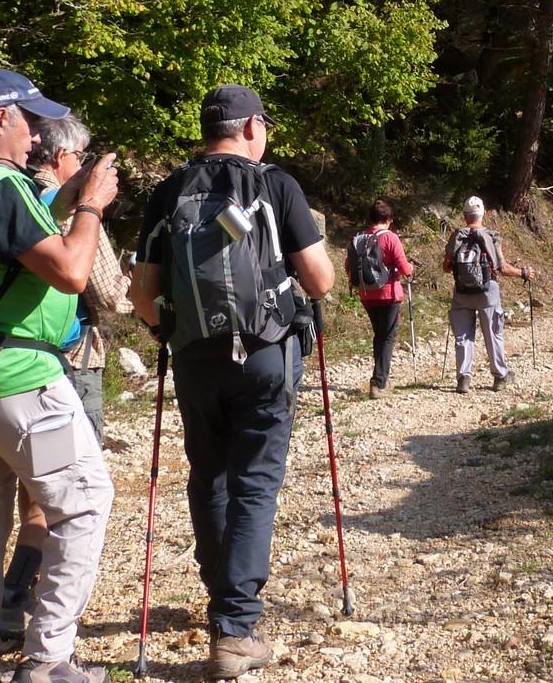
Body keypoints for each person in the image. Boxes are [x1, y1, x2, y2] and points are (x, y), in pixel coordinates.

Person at [130, 84, 335, 681]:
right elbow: (320, 280)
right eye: (264, 123)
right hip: (267, 355)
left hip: (195, 357)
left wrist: (169, 329)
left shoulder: (170, 190)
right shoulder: (277, 186)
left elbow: (141, 293)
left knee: (209, 474)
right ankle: (236, 627)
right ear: (250, 128)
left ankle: (220, 591)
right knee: (255, 483)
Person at [0, 69, 121, 683]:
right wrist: (91, 205)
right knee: (84, 504)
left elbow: (10, 246)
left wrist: (69, 197)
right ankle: (48, 658)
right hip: (21, 385)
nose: (37, 135)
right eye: (29, 121)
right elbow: (70, 271)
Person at [0, 113, 134, 641]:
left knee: (23, 491)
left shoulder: (8, 193)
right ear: (62, 157)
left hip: (0, 365)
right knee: (65, 494)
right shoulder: (69, 206)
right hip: (65, 366)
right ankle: (24, 604)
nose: (83, 164)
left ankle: (7, 599)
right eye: (80, 155)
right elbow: (106, 292)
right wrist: (135, 283)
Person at [442, 196, 532, 394]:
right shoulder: (491, 236)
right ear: (483, 213)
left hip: (462, 292)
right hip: (487, 292)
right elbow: (502, 268)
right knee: (493, 333)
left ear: (465, 216)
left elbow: (446, 268)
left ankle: (463, 379)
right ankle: (500, 376)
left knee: (463, 336)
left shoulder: (458, 236)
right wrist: (523, 273)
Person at [344, 199, 413, 399]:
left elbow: (347, 266)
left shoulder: (359, 237)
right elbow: (404, 268)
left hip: (366, 294)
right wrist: (411, 268)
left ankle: (380, 378)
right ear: (388, 218)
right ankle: (379, 383)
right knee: (387, 337)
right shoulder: (390, 238)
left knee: (380, 335)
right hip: (389, 295)